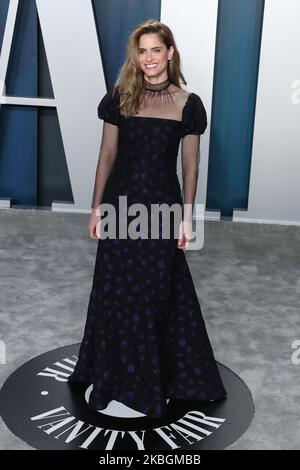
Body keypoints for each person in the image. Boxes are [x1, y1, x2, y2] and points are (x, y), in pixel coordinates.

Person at [68, 19, 227, 418]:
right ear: (136, 57)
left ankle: (154, 378)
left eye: (157, 50)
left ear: (170, 53)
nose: (149, 58)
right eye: (142, 51)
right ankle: (113, 373)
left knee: (156, 295)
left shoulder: (188, 104)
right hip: (121, 206)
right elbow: (107, 156)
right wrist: (95, 208)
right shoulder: (120, 97)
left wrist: (188, 217)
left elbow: (191, 167)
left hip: (160, 211)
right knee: (116, 291)